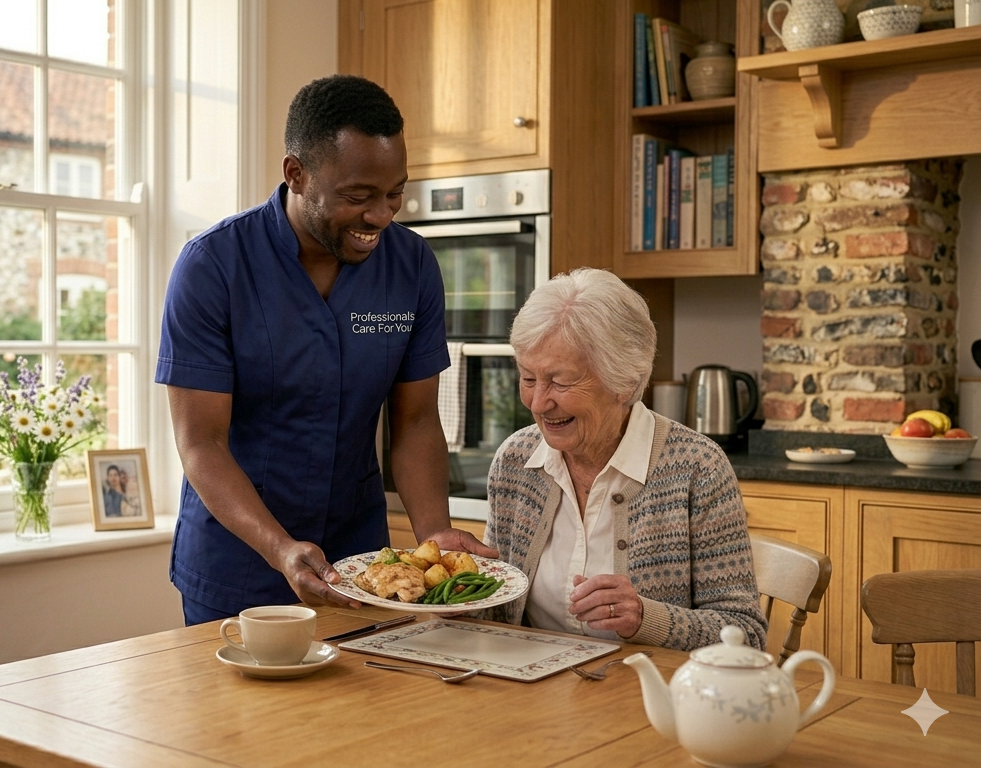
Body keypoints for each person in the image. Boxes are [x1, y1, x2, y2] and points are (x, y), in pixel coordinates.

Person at [156, 74, 496, 625]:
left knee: (364, 710)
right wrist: (279, 547)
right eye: (358, 196)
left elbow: (414, 422)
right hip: (238, 562)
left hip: (361, 562)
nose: (381, 216)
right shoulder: (213, 267)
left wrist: (434, 534)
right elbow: (201, 442)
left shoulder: (410, 267)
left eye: (394, 194)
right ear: (296, 173)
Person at [477, 268, 767, 651]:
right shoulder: (516, 460)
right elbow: (494, 613)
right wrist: (459, 587)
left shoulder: (698, 468)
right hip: (528, 691)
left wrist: (646, 619)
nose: (537, 402)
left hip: (643, 698)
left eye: (560, 382)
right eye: (528, 378)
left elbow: (746, 636)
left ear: (626, 381)